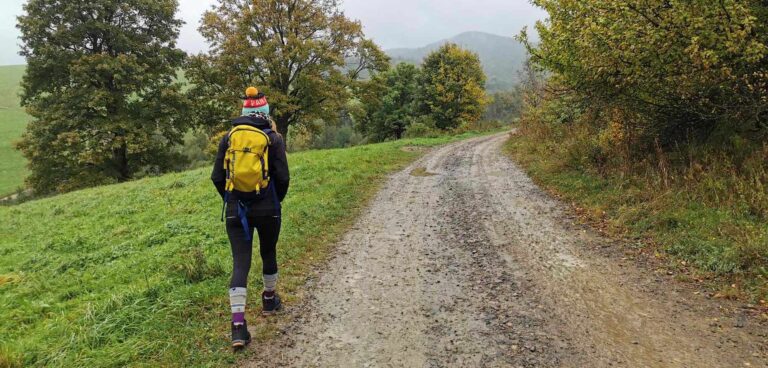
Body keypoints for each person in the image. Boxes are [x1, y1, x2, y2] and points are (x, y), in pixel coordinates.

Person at [211, 87, 290, 349]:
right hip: (268, 208)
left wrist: (232, 198)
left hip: (236, 209)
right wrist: (275, 200)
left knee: (240, 264)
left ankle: (237, 327)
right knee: (268, 252)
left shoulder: (229, 138)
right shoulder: (274, 138)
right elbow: (283, 177)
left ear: (244, 113)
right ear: (265, 113)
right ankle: (269, 300)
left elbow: (217, 177)